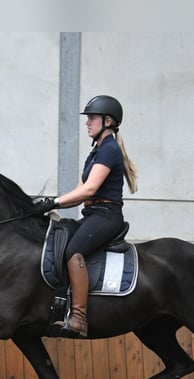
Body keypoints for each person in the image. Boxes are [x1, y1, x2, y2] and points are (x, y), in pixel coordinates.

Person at [47, 94, 138, 338]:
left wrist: (54, 202)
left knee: (73, 251)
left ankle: (79, 318)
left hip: (106, 215)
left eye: (92, 118)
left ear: (108, 121)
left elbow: (89, 189)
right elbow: (79, 192)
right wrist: (48, 203)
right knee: (61, 243)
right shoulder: (95, 152)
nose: (87, 122)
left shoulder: (109, 150)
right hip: (92, 214)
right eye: (87, 118)